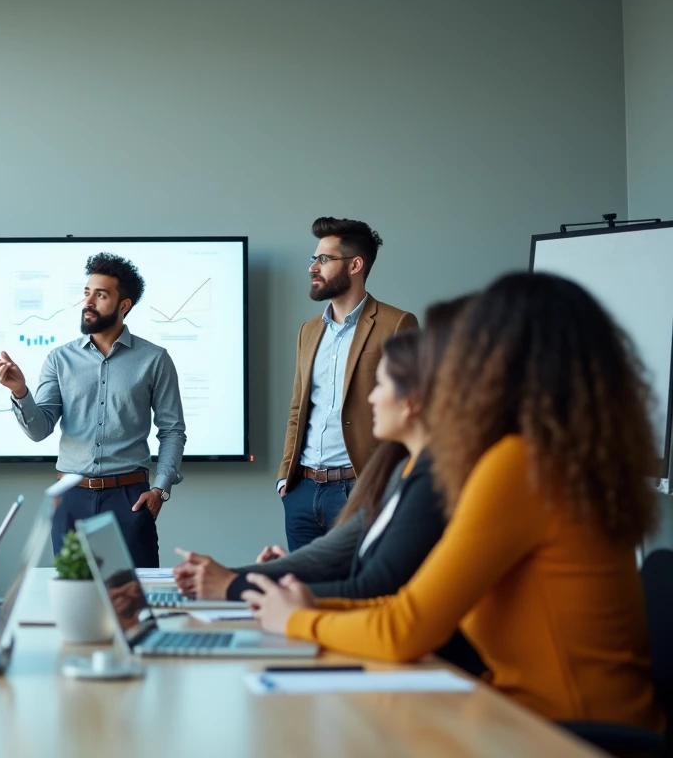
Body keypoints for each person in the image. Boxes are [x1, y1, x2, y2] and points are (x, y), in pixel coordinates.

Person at [245, 273, 663, 732]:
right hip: (536, 717)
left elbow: (406, 627)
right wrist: (308, 609)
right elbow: (411, 609)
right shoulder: (559, 459)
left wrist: (301, 619)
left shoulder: (519, 465)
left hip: (564, 735)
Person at [174, 297, 469, 602]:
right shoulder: (396, 471)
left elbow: (372, 589)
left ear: (412, 400)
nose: (369, 399)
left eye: (379, 385)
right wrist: (235, 577)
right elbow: (333, 554)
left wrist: (238, 586)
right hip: (305, 485)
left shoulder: (431, 480)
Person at [0, 252, 186, 568]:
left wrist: (161, 489)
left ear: (123, 305)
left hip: (129, 497)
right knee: (72, 598)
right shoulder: (59, 359)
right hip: (71, 497)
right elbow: (39, 430)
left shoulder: (155, 359)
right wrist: (20, 391)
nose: (88, 302)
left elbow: (172, 430)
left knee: (134, 601)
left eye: (101, 295)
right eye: (87, 292)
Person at [278, 217, 417, 551]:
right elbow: (298, 408)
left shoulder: (397, 324)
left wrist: (386, 486)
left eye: (323, 259)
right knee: (306, 594)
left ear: (355, 265)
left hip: (361, 488)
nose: (313, 267)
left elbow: (412, 414)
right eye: (313, 259)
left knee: (357, 592)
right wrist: (286, 478)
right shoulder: (308, 331)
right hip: (302, 492)